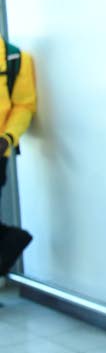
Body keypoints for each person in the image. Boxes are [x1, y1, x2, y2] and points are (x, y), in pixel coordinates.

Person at [0, 36, 37, 276]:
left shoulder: (15, 59)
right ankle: (11, 242)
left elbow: (24, 106)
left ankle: (12, 242)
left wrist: (7, 138)